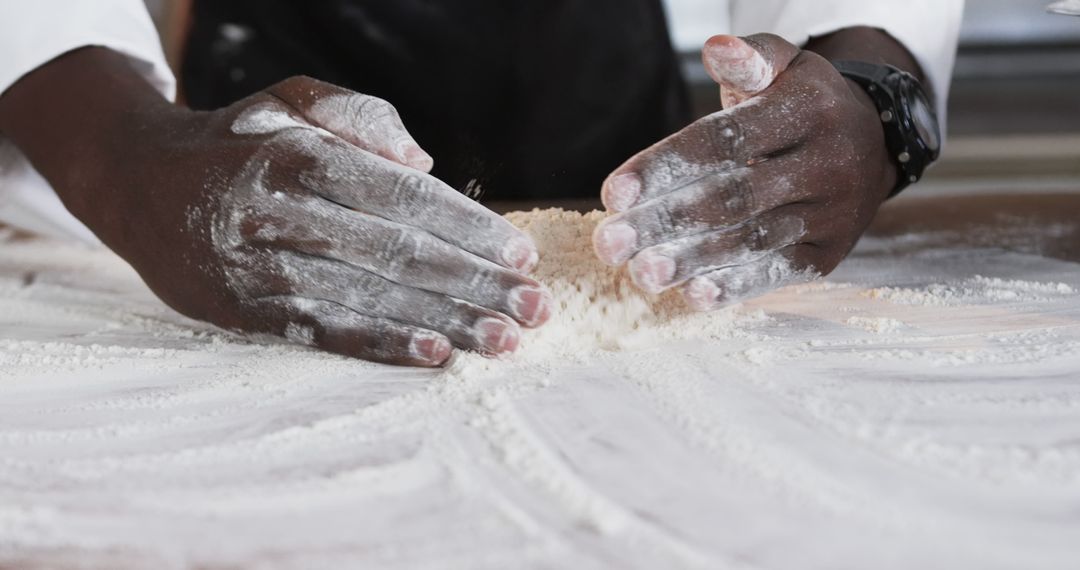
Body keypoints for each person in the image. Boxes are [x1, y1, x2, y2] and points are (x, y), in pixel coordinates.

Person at [0, 0, 964, 366]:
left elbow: (868, 53)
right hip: (255, 128)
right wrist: (123, 156)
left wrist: (870, 90)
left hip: (617, 127)